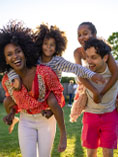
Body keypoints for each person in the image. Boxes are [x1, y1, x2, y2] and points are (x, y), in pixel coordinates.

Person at [5, 23, 105, 132]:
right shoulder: (35, 58)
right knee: (7, 100)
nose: (49, 47)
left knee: (51, 100)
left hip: (52, 92)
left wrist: (92, 75)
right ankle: (13, 115)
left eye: (52, 45)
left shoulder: (57, 61)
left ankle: (57, 124)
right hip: (36, 91)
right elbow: (12, 68)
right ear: (40, 44)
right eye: (46, 43)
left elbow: (76, 68)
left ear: (57, 46)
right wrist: (15, 78)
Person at [0, 21, 67, 156]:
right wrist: (12, 114)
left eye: (18, 51)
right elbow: (14, 101)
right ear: (5, 60)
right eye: (9, 54)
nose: (15, 56)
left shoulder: (44, 72)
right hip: (26, 120)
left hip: (46, 120)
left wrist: (62, 133)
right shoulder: (8, 80)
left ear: (24, 51)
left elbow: (58, 97)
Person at [70, 22, 118, 122]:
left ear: (94, 35)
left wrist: (101, 93)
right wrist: (95, 92)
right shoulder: (78, 52)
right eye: (79, 35)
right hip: (91, 76)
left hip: (106, 81)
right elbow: (80, 74)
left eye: (85, 33)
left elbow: (115, 73)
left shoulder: (102, 49)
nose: (82, 37)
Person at [81, 38, 118, 157]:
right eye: (87, 57)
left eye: (94, 57)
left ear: (105, 58)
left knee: (108, 153)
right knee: (91, 153)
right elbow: (79, 75)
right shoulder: (85, 70)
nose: (89, 61)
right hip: (90, 115)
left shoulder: (114, 68)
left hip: (110, 115)